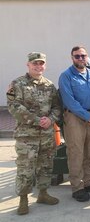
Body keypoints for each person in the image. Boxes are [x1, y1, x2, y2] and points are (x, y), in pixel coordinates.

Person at [7, 52, 61, 215]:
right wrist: (38, 120)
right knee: (25, 168)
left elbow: (57, 107)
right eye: (35, 63)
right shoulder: (18, 84)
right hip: (27, 136)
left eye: (41, 63)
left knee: (45, 165)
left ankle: (43, 194)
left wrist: (50, 119)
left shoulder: (49, 85)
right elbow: (14, 107)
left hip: (46, 134)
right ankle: (23, 199)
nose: (38, 66)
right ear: (28, 65)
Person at [59, 46, 90, 202]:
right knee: (76, 152)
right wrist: (87, 116)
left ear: (87, 57)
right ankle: (77, 187)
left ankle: (89, 181)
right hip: (75, 118)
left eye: (83, 56)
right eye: (77, 56)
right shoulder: (66, 76)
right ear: (72, 58)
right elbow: (69, 101)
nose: (80, 59)